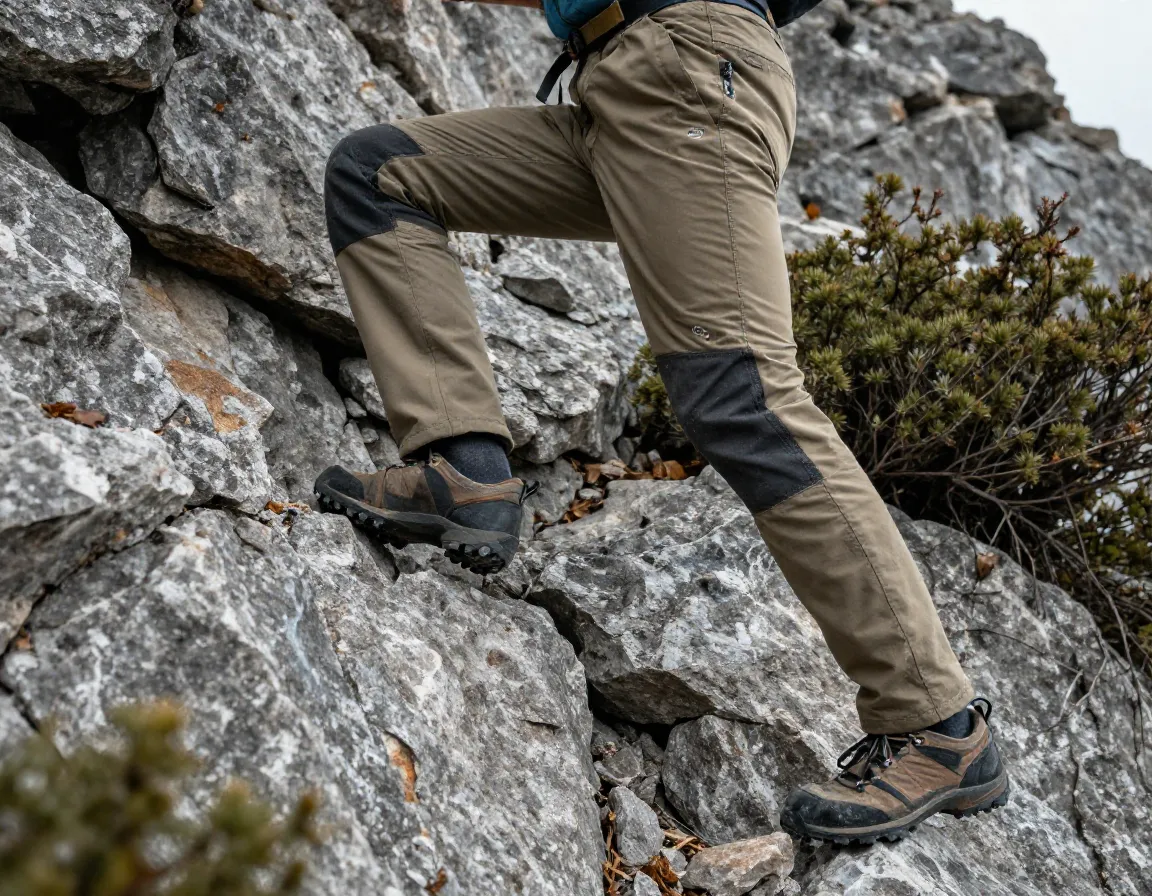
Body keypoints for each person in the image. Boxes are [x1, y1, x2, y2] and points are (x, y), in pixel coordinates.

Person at [313, 0, 1009, 844]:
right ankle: (462, 469)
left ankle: (939, 725)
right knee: (380, 171)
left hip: (684, 69)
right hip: (611, 85)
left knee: (744, 398)